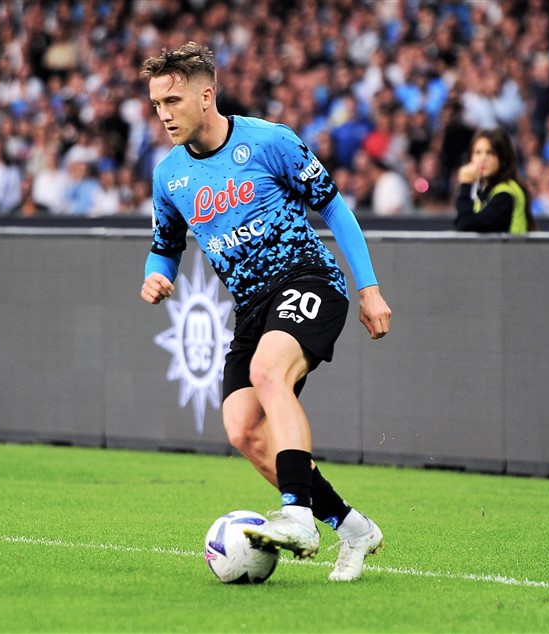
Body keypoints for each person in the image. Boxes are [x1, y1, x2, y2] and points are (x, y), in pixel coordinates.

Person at [138, 42, 392, 581]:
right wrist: (155, 274)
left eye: (173, 100)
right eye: (157, 103)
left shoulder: (269, 141)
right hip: (252, 307)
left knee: (268, 373)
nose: (163, 114)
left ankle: (297, 516)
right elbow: (165, 245)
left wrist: (369, 288)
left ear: (206, 96)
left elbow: (336, 209)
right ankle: (352, 528)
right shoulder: (170, 176)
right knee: (244, 431)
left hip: (309, 280)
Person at [454, 128, 537, 233]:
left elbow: (466, 226)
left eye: (490, 153)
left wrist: (466, 186)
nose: (483, 158)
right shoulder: (485, 191)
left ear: (503, 159)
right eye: (477, 152)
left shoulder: (505, 194)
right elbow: (462, 221)